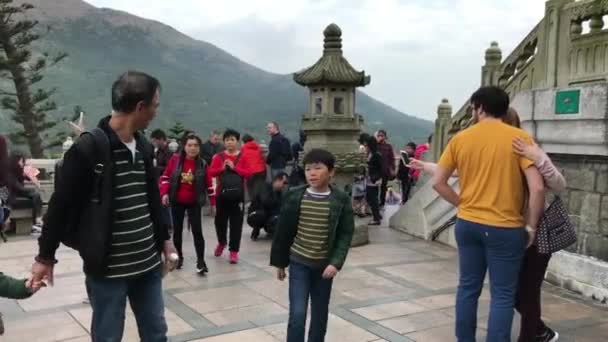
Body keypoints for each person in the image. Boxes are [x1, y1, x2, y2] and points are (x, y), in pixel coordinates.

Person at [30, 71, 177, 342]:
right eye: (155, 105)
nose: (157, 111)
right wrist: (45, 258)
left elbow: (152, 199)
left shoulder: (143, 147)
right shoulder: (88, 149)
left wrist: (165, 239)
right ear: (140, 107)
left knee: (156, 333)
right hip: (108, 270)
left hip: (147, 265)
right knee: (108, 337)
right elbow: (60, 207)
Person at [433, 86, 545, 342]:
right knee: (503, 294)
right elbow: (537, 187)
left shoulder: (461, 139)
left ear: (480, 107)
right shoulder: (520, 139)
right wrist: (531, 226)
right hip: (506, 228)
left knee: (468, 288)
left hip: (469, 224)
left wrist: (463, 203)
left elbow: (438, 182)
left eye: (473, 108)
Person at [270, 148, 354, 342]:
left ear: (331, 172)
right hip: (299, 263)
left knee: (319, 315)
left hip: (324, 268)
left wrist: (335, 262)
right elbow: (283, 231)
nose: (312, 173)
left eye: (318, 168)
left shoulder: (340, 200)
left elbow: (345, 233)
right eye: (308, 169)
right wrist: (280, 263)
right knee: (298, 314)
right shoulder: (294, 196)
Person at [159, 134, 208, 274]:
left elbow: (209, 183)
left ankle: (201, 261)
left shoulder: (203, 163)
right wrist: (164, 193)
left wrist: (214, 202)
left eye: (196, 145)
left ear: (199, 148)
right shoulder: (175, 160)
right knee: (177, 232)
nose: (193, 148)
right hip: (177, 201)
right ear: (184, 146)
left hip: (194, 202)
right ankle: (179, 257)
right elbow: (165, 177)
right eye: (189, 145)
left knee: (197, 231)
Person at [208, 128, 251, 264]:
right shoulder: (218, 157)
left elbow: (249, 173)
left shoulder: (243, 157)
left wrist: (234, 167)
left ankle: (234, 251)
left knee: (236, 224)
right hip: (222, 195)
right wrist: (221, 168)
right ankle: (222, 242)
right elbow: (211, 172)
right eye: (227, 140)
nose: (229, 142)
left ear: (237, 142)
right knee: (219, 222)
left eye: (232, 140)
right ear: (224, 142)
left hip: (238, 196)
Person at [7, 152, 44, 233]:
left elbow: (34, 178)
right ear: (14, 162)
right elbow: (18, 188)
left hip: (19, 194)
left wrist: (30, 175)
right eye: (20, 161)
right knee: (34, 194)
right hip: (11, 198)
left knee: (36, 195)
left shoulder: (20, 171)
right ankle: (36, 222)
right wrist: (32, 190)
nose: (22, 163)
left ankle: (37, 220)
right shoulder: (9, 174)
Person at [247, 172, 288, 240]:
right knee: (261, 215)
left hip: (267, 214)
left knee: (280, 217)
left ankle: (269, 229)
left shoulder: (279, 193)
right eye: (284, 182)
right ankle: (256, 230)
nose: (285, 185)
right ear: (277, 180)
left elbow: (280, 207)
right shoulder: (265, 187)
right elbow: (266, 202)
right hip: (255, 214)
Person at [241, 134, 267, 201]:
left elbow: (241, 161)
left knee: (250, 188)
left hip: (250, 172)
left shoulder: (243, 149)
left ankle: (253, 204)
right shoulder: (258, 147)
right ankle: (261, 204)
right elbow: (263, 158)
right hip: (261, 171)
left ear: (243, 141)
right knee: (260, 188)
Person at [365, 136, 383, 225]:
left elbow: (381, 168)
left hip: (374, 180)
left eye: (367, 145)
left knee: (373, 199)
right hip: (369, 179)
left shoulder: (376, 155)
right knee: (370, 197)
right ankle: (377, 215)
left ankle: (376, 218)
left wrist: (377, 178)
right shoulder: (370, 154)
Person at [375, 129, 395, 208]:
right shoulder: (375, 146)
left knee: (383, 187)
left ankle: (382, 202)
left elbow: (391, 158)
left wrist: (392, 169)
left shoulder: (388, 146)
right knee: (375, 187)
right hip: (376, 171)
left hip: (385, 170)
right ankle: (375, 202)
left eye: (382, 135)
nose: (380, 137)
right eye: (379, 135)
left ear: (385, 137)